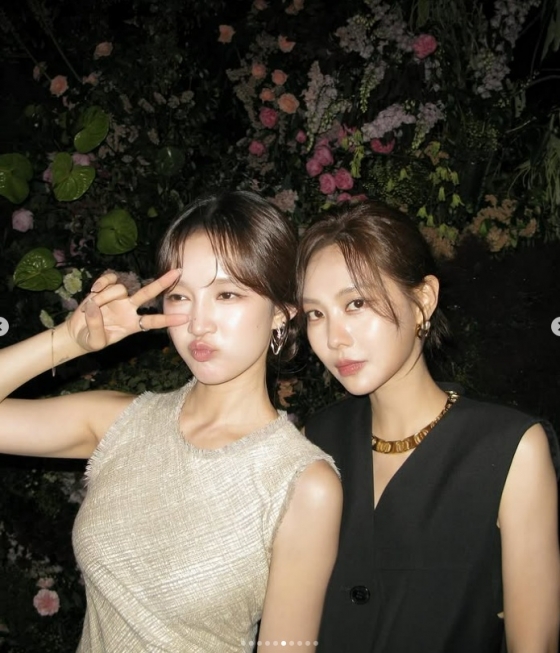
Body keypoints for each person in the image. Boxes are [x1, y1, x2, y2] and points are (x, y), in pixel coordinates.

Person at [0, 191, 342, 652]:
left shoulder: (301, 482)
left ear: (281, 312)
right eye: (180, 296)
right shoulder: (119, 423)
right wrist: (67, 342)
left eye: (227, 294)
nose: (198, 323)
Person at [296, 200, 560, 653]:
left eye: (356, 304)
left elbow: (533, 643)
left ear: (423, 301)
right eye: (315, 314)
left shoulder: (508, 449)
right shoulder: (318, 438)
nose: (333, 338)